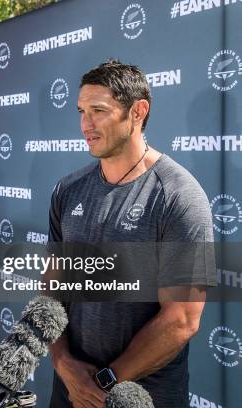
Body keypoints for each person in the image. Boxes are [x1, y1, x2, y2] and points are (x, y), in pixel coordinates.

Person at [47, 60, 215, 408]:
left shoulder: (179, 195)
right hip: (69, 392)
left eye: (98, 111)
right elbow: (52, 289)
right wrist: (64, 366)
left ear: (138, 112)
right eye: (81, 111)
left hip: (142, 397)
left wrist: (103, 383)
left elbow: (182, 319)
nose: (85, 124)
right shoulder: (68, 189)